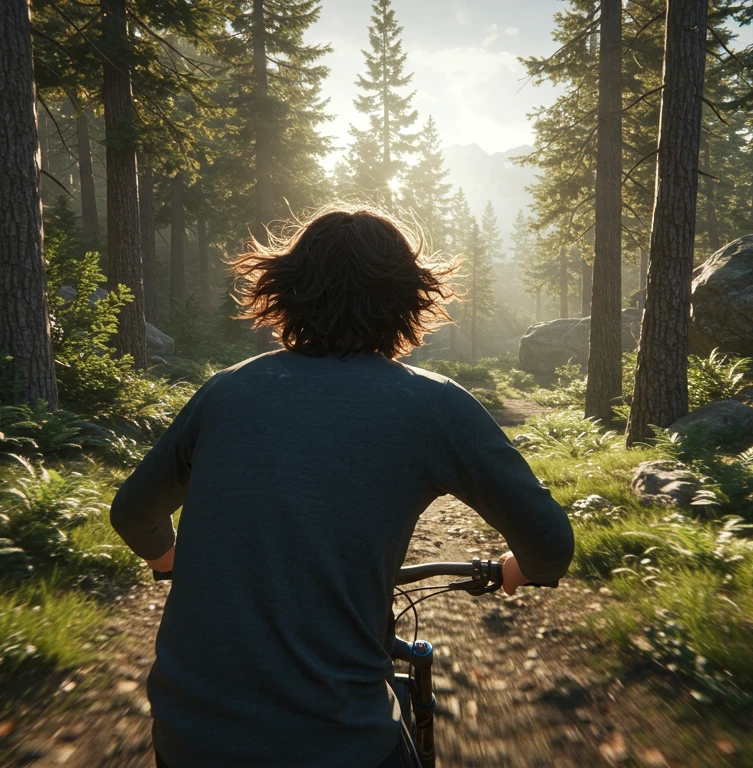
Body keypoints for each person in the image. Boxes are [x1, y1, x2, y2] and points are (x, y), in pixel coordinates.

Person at [110, 207, 575, 768]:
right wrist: (513, 572)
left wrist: (171, 560)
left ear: (285, 292)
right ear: (410, 299)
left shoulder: (225, 392)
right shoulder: (435, 404)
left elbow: (133, 513)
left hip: (189, 732)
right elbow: (550, 546)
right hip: (336, 744)